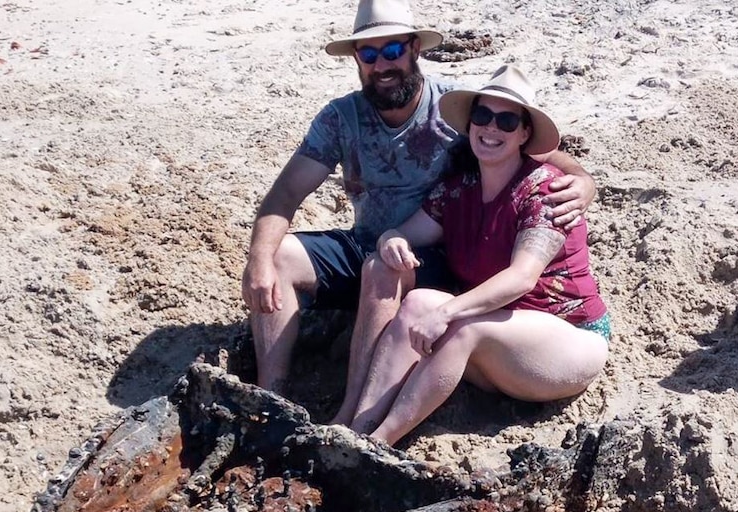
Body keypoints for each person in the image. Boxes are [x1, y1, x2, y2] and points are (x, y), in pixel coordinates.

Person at [240, 0, 598, 399]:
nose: (382, 65)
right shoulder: (340, 118)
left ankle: (359, 402)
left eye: (392, 50)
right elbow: (286, 192)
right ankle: (268, 396)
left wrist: (583, 179)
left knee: (385, 268)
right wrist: (258, 259)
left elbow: (533, 149)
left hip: (435, 259)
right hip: (371, 240)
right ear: (357, 59)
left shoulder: (458, 112)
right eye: (370, 53)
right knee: (278, 254)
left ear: (414, 49)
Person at [347, 65, 611, 446]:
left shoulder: (546, 193)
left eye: (506, 121)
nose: (491, 129)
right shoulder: (459, 190)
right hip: (502, 341)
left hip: (569, 338)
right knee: (419, 301)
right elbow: (405, 233)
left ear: (524, 134)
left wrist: (447, 312)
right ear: (470, 124)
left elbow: (522, 277)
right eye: (483, 116)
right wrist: (391, 239)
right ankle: (357, 427)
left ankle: (379, 444)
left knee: (461, 325)